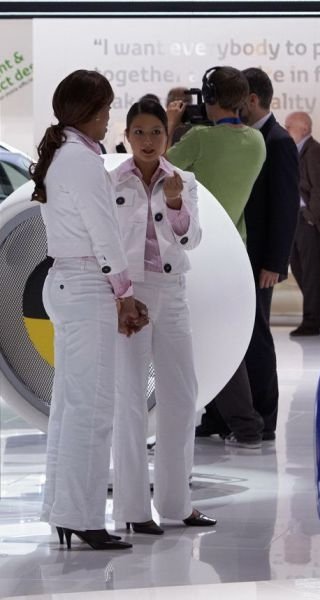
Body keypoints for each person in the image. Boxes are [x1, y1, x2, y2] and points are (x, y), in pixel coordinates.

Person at [31, 69, 148, 550]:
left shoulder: (62, 154)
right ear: (89, 111)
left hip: (67, 282)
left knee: (71, 405)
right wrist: (124, 293)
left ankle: (65, 510)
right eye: (105, 110)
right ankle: (81, 517)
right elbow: (105, 233)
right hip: (85, 285)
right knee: (92, 408)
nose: (108, 121)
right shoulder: (80, 159)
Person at [111, 99, 216, 533]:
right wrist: (120, 295)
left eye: (156, 132)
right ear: (127, 136)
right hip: (129, 297)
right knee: (130, 400)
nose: (148, 141)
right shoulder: (111, 180)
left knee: (181, 398)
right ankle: (133, 510)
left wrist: (175, 205)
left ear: (167, 137)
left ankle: (177, 504)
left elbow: (191, 240)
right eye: (139, 132)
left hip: (172, 295)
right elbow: (106, 243)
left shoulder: (184, 181)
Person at [167, 66, 266, 449]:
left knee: (183, 338)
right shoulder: (256, 142)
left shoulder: (200, 139)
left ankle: (178, 418)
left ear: (209, 99)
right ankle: (245, 425)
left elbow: (159, 168)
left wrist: (173, 122)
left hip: (193, 247)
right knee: (223, 339)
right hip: (233, 250)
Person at [240, 68, 300, 441]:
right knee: (240, 335)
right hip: (241, 254)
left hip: (261, 259)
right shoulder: (247, 139)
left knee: (258, 335)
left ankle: (265, 416)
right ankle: (236, 413)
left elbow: (286, 206)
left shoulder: (278, 141)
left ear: (251, 99)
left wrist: (275, 263)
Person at [284, 111, 320, 336]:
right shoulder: (296, 151)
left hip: (309, 222)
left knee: (309, 272)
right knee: (299, 269)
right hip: (297, 219)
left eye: (290, 126)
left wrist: (309, 216)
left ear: (304, 129)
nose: (286, 130)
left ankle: (312, 322)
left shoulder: (315, 151)